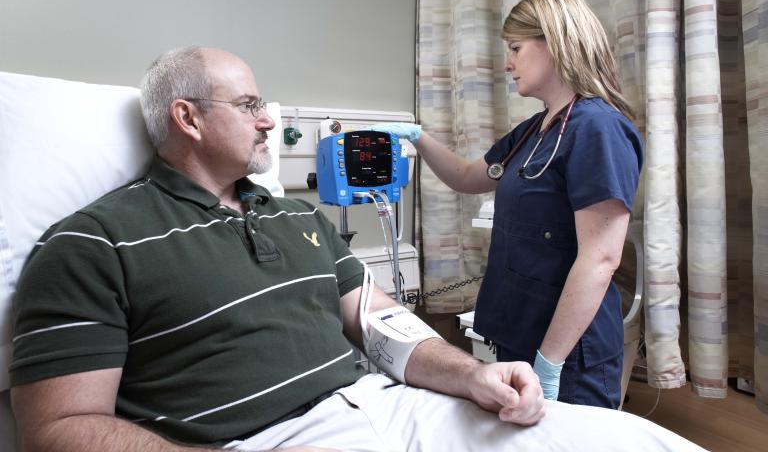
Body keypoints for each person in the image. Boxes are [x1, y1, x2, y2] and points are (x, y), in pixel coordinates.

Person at [8, 46, 700, 452]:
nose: (270, 121)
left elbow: (380, 321)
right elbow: (60, 423)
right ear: (186, 118)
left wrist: (468, 377)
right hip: (270, 440)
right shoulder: (95, 243)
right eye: (249, 106)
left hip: (390, 407)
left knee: (633, 441)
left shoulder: (294, 219)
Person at [375, 0, 643, 410]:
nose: (507, 63)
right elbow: (467, 176)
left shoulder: (598, 128)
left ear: (555, 42)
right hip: (519, 334)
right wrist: (417, 137)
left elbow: (601, 258)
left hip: (567, 352)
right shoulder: (534, 131)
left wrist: (549, 364)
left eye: (516, 48)